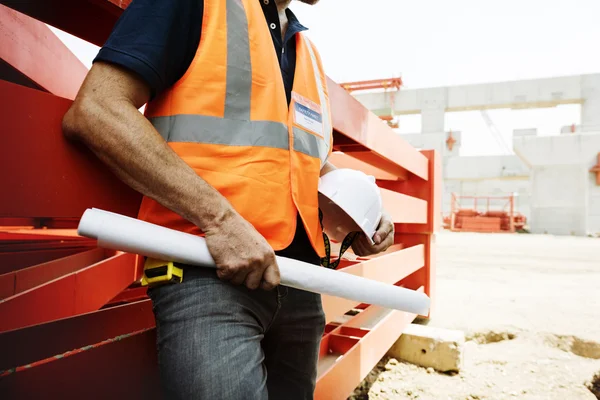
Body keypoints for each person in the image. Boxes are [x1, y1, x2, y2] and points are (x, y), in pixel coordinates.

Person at [62, 0, 394, 398]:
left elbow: (305, 161)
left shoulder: (306, 51)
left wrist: (358, 211)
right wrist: (219, 221)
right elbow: (97, 109)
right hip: (208, 271)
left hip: (300, 284)